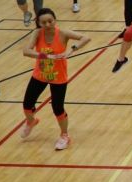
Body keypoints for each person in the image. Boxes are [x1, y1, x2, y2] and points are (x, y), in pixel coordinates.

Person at [20, 8, 91, 150]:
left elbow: (86, 38)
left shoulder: (63, 33)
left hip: (58, 77)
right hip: (40, 75)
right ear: (39, 23)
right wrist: (46, 56)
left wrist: (71, 50)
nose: (47, 24)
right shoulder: (37, 33)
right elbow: (26, 51)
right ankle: (31, 121)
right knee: (27, 105)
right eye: (43, 22)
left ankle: (64, 135)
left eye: (50, 21)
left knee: (57, 108)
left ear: (55, 20)